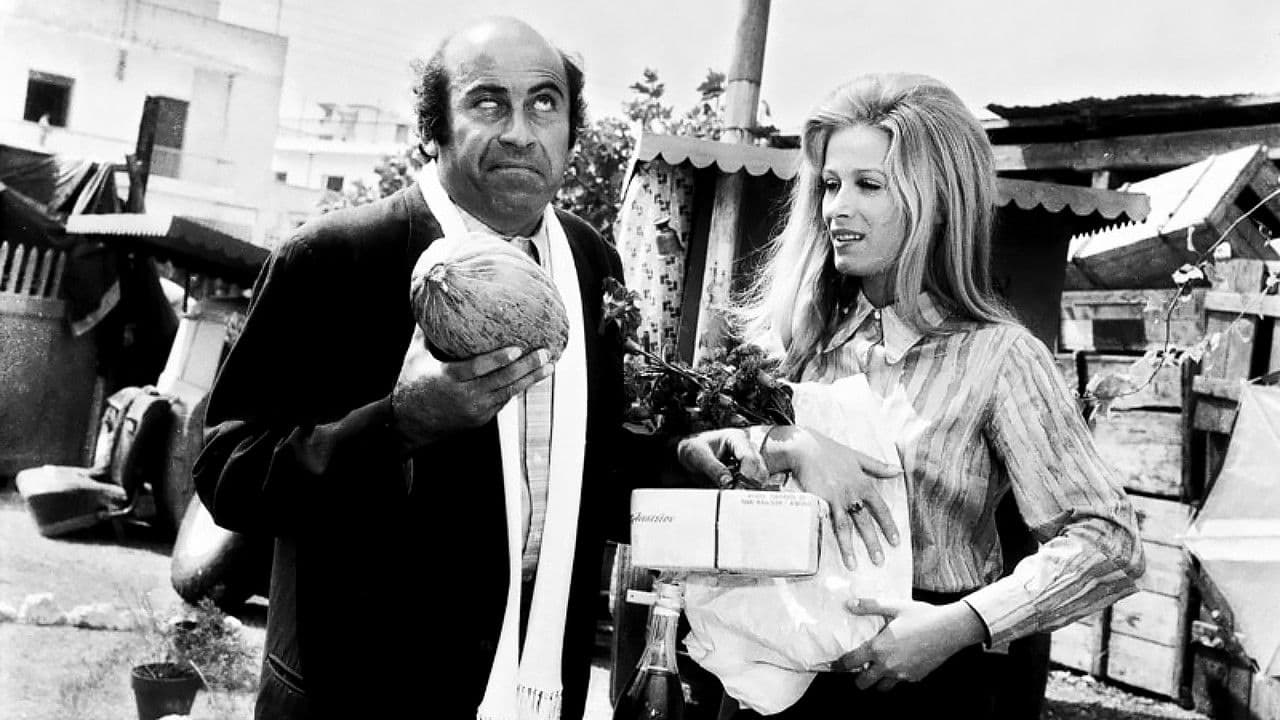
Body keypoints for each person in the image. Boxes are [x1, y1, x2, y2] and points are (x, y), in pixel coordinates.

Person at [194, 17, 637, 720]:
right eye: (488, 102)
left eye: (544, 103)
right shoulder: (335, 257)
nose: (520, 132)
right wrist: (398, 425)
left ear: (571, 132)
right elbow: (229, 473)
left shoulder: (591, 264)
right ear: (433, 129)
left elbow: (598, 462)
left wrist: (702, 456)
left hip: (537, 683)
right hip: (357, 694)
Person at [677, 72, 1144, 718]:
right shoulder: (796, 340)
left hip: (928, 690)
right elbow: (698, 461)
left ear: (940, 202)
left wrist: (958, 625)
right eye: (831, 185)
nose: (837, 209)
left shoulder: (1001, 358)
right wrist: (790, 443)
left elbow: (1109, 541)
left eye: (869, 185)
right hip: (782, 680)